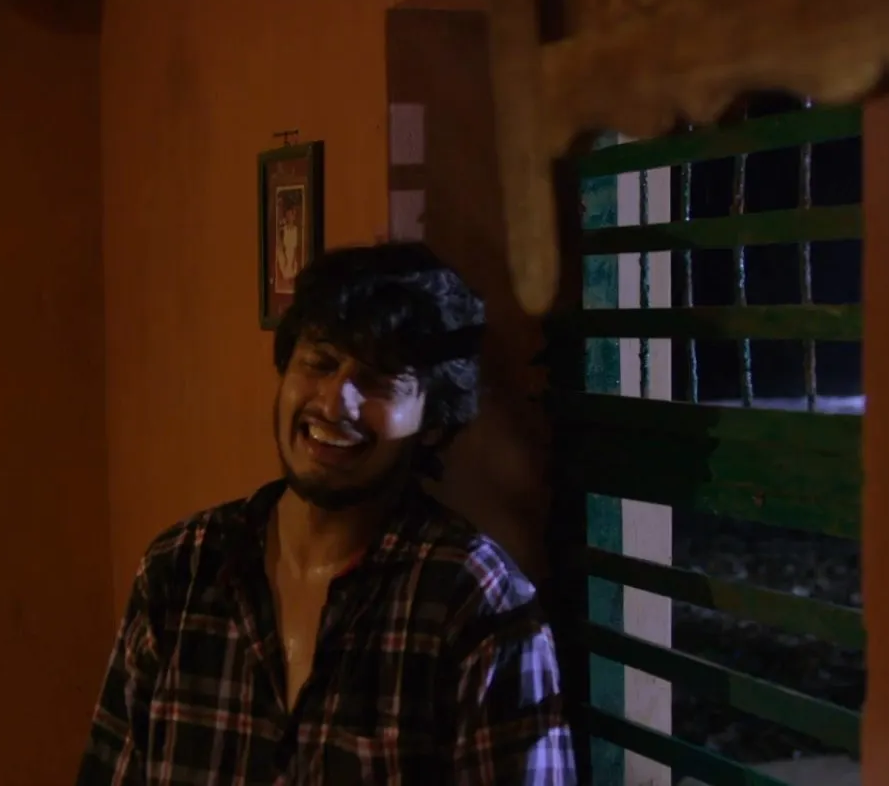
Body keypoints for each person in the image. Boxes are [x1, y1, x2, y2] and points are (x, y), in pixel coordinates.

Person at [78, 242, 574, 785]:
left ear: (433, 422)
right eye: (319, 363)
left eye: (380, 381)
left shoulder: (475, 603)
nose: (336, 403)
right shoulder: (182, 569)